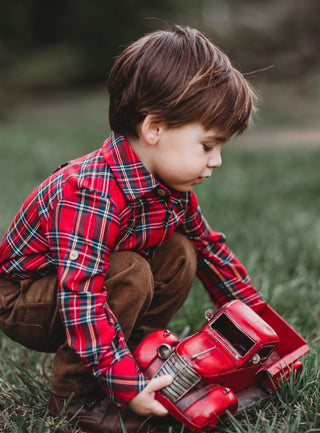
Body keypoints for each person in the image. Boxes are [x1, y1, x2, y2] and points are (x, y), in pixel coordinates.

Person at [0, 25, 263, 432]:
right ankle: (75, 393)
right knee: (129, 272)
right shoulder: (92, 192)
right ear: (154, 129)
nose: (216, 162)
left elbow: (211, 251)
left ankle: (138, 357)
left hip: (77, 290)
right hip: (24, 298)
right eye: (208, 146)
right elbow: (80, 296)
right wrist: (125, 387)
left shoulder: (170, 191)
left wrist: (261, 322)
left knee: (181, 252)